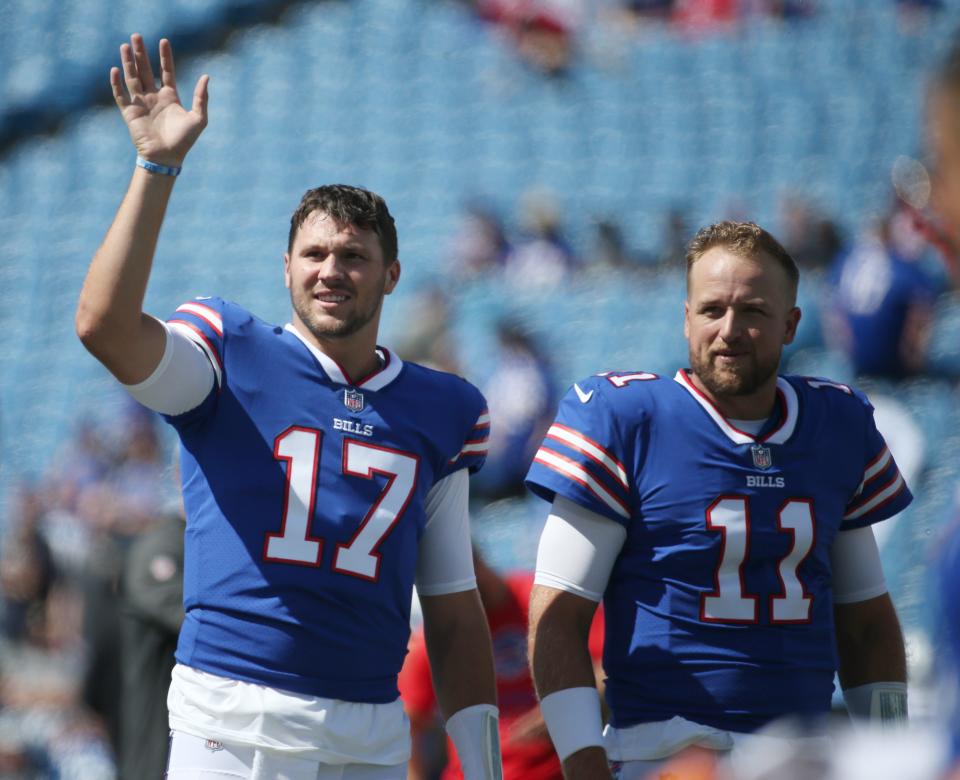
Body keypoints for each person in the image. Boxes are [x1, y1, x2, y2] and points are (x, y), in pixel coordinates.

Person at [75, 34, 501, 780]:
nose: (331, 270)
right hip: (230, 723)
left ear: (391, 274)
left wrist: (485, 770)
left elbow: (454, 609)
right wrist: (156, 166)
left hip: (367, 735)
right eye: (314, 255)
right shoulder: (229, 354)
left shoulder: (442, 408)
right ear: (286, 268)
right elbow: (105, 328)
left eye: (353, 255)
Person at [525, 220, 911, 779]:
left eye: (752, 311)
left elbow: (867, 624)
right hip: (664, 754)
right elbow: (557, 615)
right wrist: (585, 765)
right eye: (711, 310)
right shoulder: (625, 420)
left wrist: (892, 756)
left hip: (796, 756)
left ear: (790, 324)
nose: (729, 329)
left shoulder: (837, 426)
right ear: (686, 319)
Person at [399, 551, 605, 780]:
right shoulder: (438, 634)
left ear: (477, 562)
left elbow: (607, 668)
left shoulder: (543, 602)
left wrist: (562, 706)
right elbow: (408, 726)